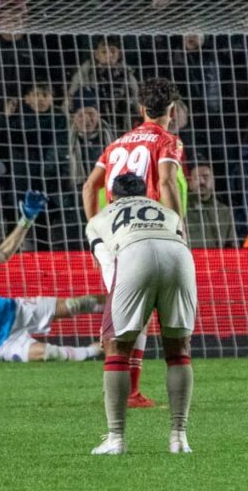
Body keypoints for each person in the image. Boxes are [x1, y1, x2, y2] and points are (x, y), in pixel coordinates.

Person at [81, 77, 185, 409]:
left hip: (114, 234)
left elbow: (88, 187)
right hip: (146, 232)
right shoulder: (168, 141)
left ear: (141, 109)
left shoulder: (116, 144)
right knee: (133, 314)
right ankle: (124, 390)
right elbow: (167, 181)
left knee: (130, 311)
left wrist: (96, 230)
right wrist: (179, 228)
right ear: (172, 110)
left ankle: (129, 390)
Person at [86, 173, 196, 455]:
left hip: (134, 253)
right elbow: (180, 239)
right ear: (147, 194)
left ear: (112, 197)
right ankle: (179, 437)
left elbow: (108, 264)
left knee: (117, 347)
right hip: (179, 256)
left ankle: (116, 439)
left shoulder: (98, 219)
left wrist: (111, 320)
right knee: (178, 347)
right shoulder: (168, 212)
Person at [0, 190, 104, 362]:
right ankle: (93, 351)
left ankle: (122, 306)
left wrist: (27, 219)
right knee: (48, 354)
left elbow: (2, 253)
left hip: (14, 310)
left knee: (78, 304)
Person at [184, 163, 236, 248]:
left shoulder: (224, 211)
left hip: (218, 260)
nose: (202, 182)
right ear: (190, 183)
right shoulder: (182, 210)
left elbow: (233, 246)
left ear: (213, 181)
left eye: (206, 177)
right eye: (197, 178)